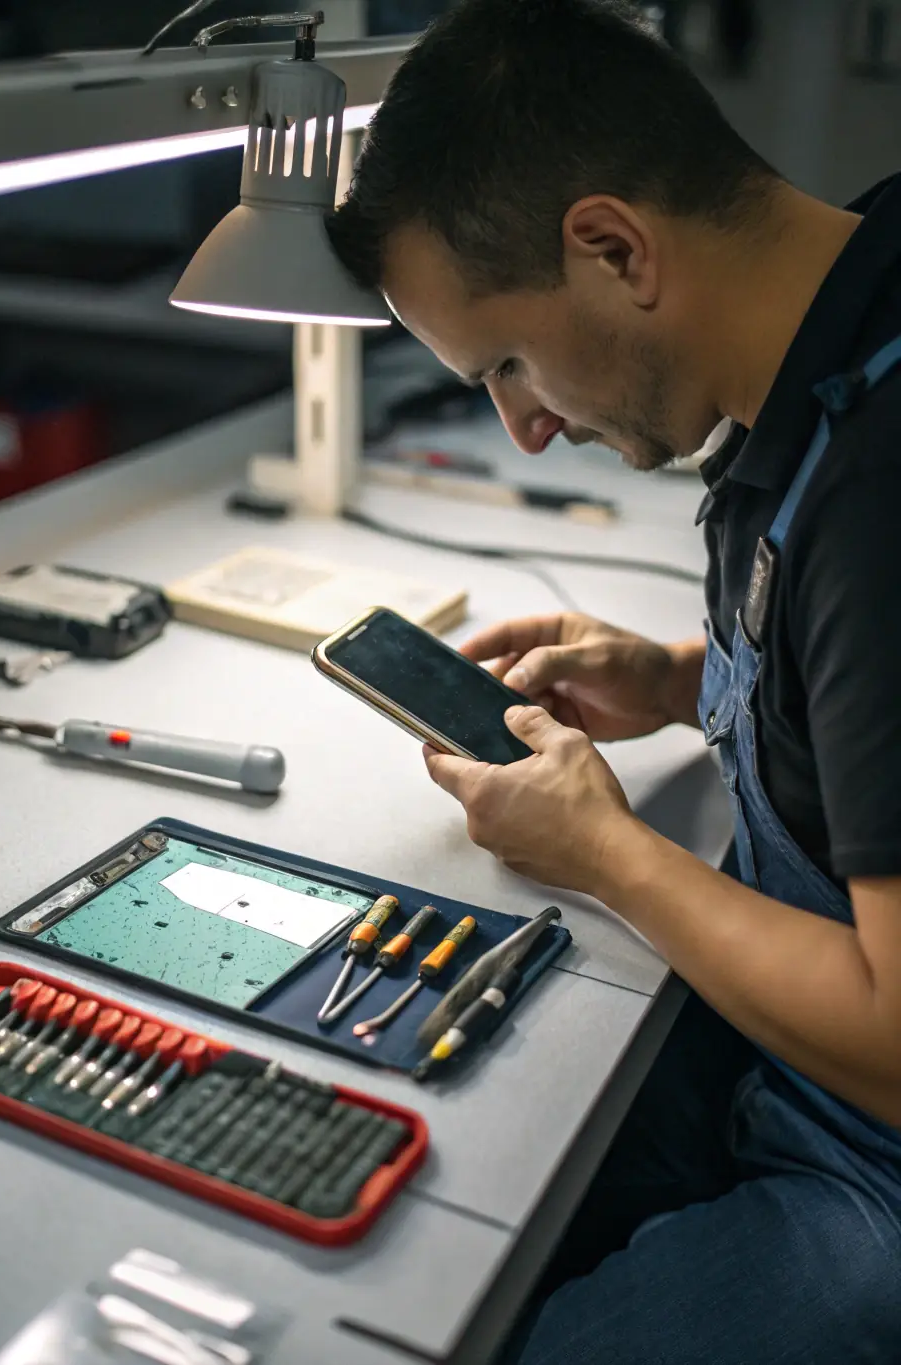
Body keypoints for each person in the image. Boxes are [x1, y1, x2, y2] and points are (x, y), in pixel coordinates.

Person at [326, 2, 901, 1362]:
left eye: (508, 363)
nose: (522, 426)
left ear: (612, 248)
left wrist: (607, 853)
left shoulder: (884, 499)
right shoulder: (850, 304)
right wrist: (687, 678)